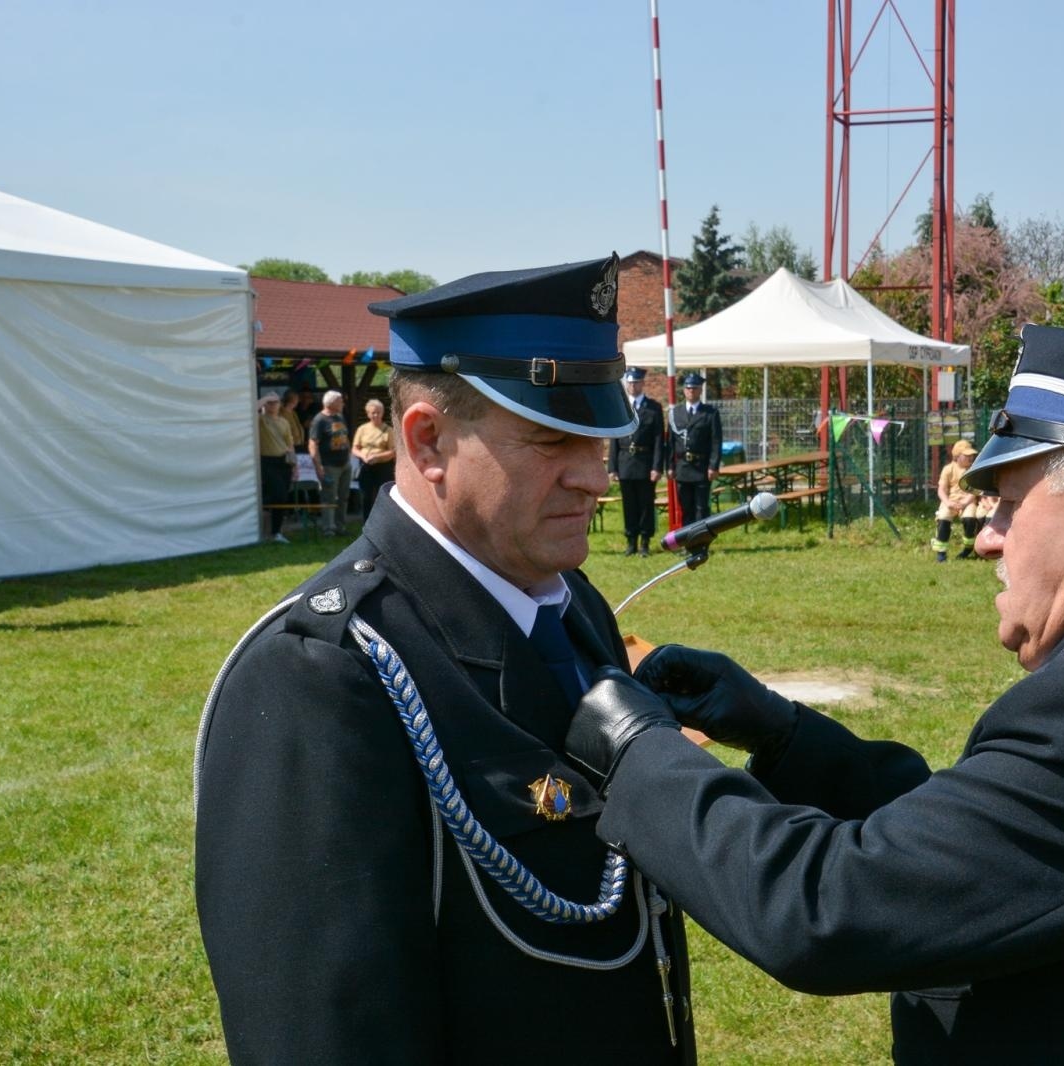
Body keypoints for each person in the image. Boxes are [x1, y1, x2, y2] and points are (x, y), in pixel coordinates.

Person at [563, 325, 1064, 1061]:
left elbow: (829, 909)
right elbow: (983, 846)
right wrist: (780, 733)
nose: (986, 536)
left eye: (1008, 503)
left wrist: (641, 754)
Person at [194, 255, 695, 1064]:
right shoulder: (322, 676)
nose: (596, 479)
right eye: (551, 441)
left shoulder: (571, 605)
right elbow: (324, 1032)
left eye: (601, 441)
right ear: (427, 441)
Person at [609, 366, 666, 556]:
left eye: (636, 383)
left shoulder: (653, 408)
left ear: (642, 383)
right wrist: (612, 467)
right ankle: (630, 540)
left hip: (645, 462)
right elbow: (614, 438)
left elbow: (659, 439)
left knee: (645, 504)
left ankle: (645, 542)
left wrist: (657, 466)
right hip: (625, 461)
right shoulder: (620, 406)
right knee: (629, 505)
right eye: (630, 383)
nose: (633, 386)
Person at [669, 372, 720, 524]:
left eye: (695, 388)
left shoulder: (710, 413)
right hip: (683, 467)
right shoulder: (676, 413)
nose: (691, 391)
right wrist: (670, 466)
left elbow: (716, 441)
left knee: (701, 507)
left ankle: (701, 543)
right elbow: (671, 442)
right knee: (686, 507)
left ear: (700, 390)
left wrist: (713, 465)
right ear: (684, 390)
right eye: (688, 388)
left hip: (701, 467)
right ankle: (687, 541)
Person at [931, 438, 989, 561]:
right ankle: (941, 552)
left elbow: (975, 490)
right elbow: (941, 489)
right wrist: (947, 502)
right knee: (943, 517)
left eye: (972, 455)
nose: (970, 458)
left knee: (970, 519)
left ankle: (968, 548)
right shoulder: (948, 469)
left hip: (968, 502)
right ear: (957, 456)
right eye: (966, 455)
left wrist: (964, 503)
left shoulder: (973, 469)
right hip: (951, 501)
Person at [308, 390, 352, 535]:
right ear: (331, 403)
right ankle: (328, 528)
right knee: (329, 497)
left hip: (345, 463)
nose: (343, 403)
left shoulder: (339, 416)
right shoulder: (319, 420)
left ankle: (341, 526)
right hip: (329, 465)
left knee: (343, 496)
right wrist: (318, 467)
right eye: (340, 401)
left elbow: (344, 436)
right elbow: (313, 443)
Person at [256, 393, 295, 544]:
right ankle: (271, 531)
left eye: (276, 402)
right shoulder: (260, 420)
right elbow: (249, 411)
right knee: (277, 495)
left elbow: (289, 444)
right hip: (267, 461)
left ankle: (276, 532)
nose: (273, 405)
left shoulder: (284, 421)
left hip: (283, 462)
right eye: (270, 403)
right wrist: (265, 399)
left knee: (283, 498)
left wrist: (294, 464)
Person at [351, 397, 397, 521]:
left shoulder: (389, 430)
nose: (375, 415)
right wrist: (363, 456)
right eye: (372, 412)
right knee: (366, 495)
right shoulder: (362, 429)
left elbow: (393, 451)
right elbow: (355, 448)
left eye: (378, 412)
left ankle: (384, 520)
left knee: (383, 495)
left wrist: (377, 456)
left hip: (383, 467)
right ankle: (367, 521)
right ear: (368, 413)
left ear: (382, 413)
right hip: (366, 466)